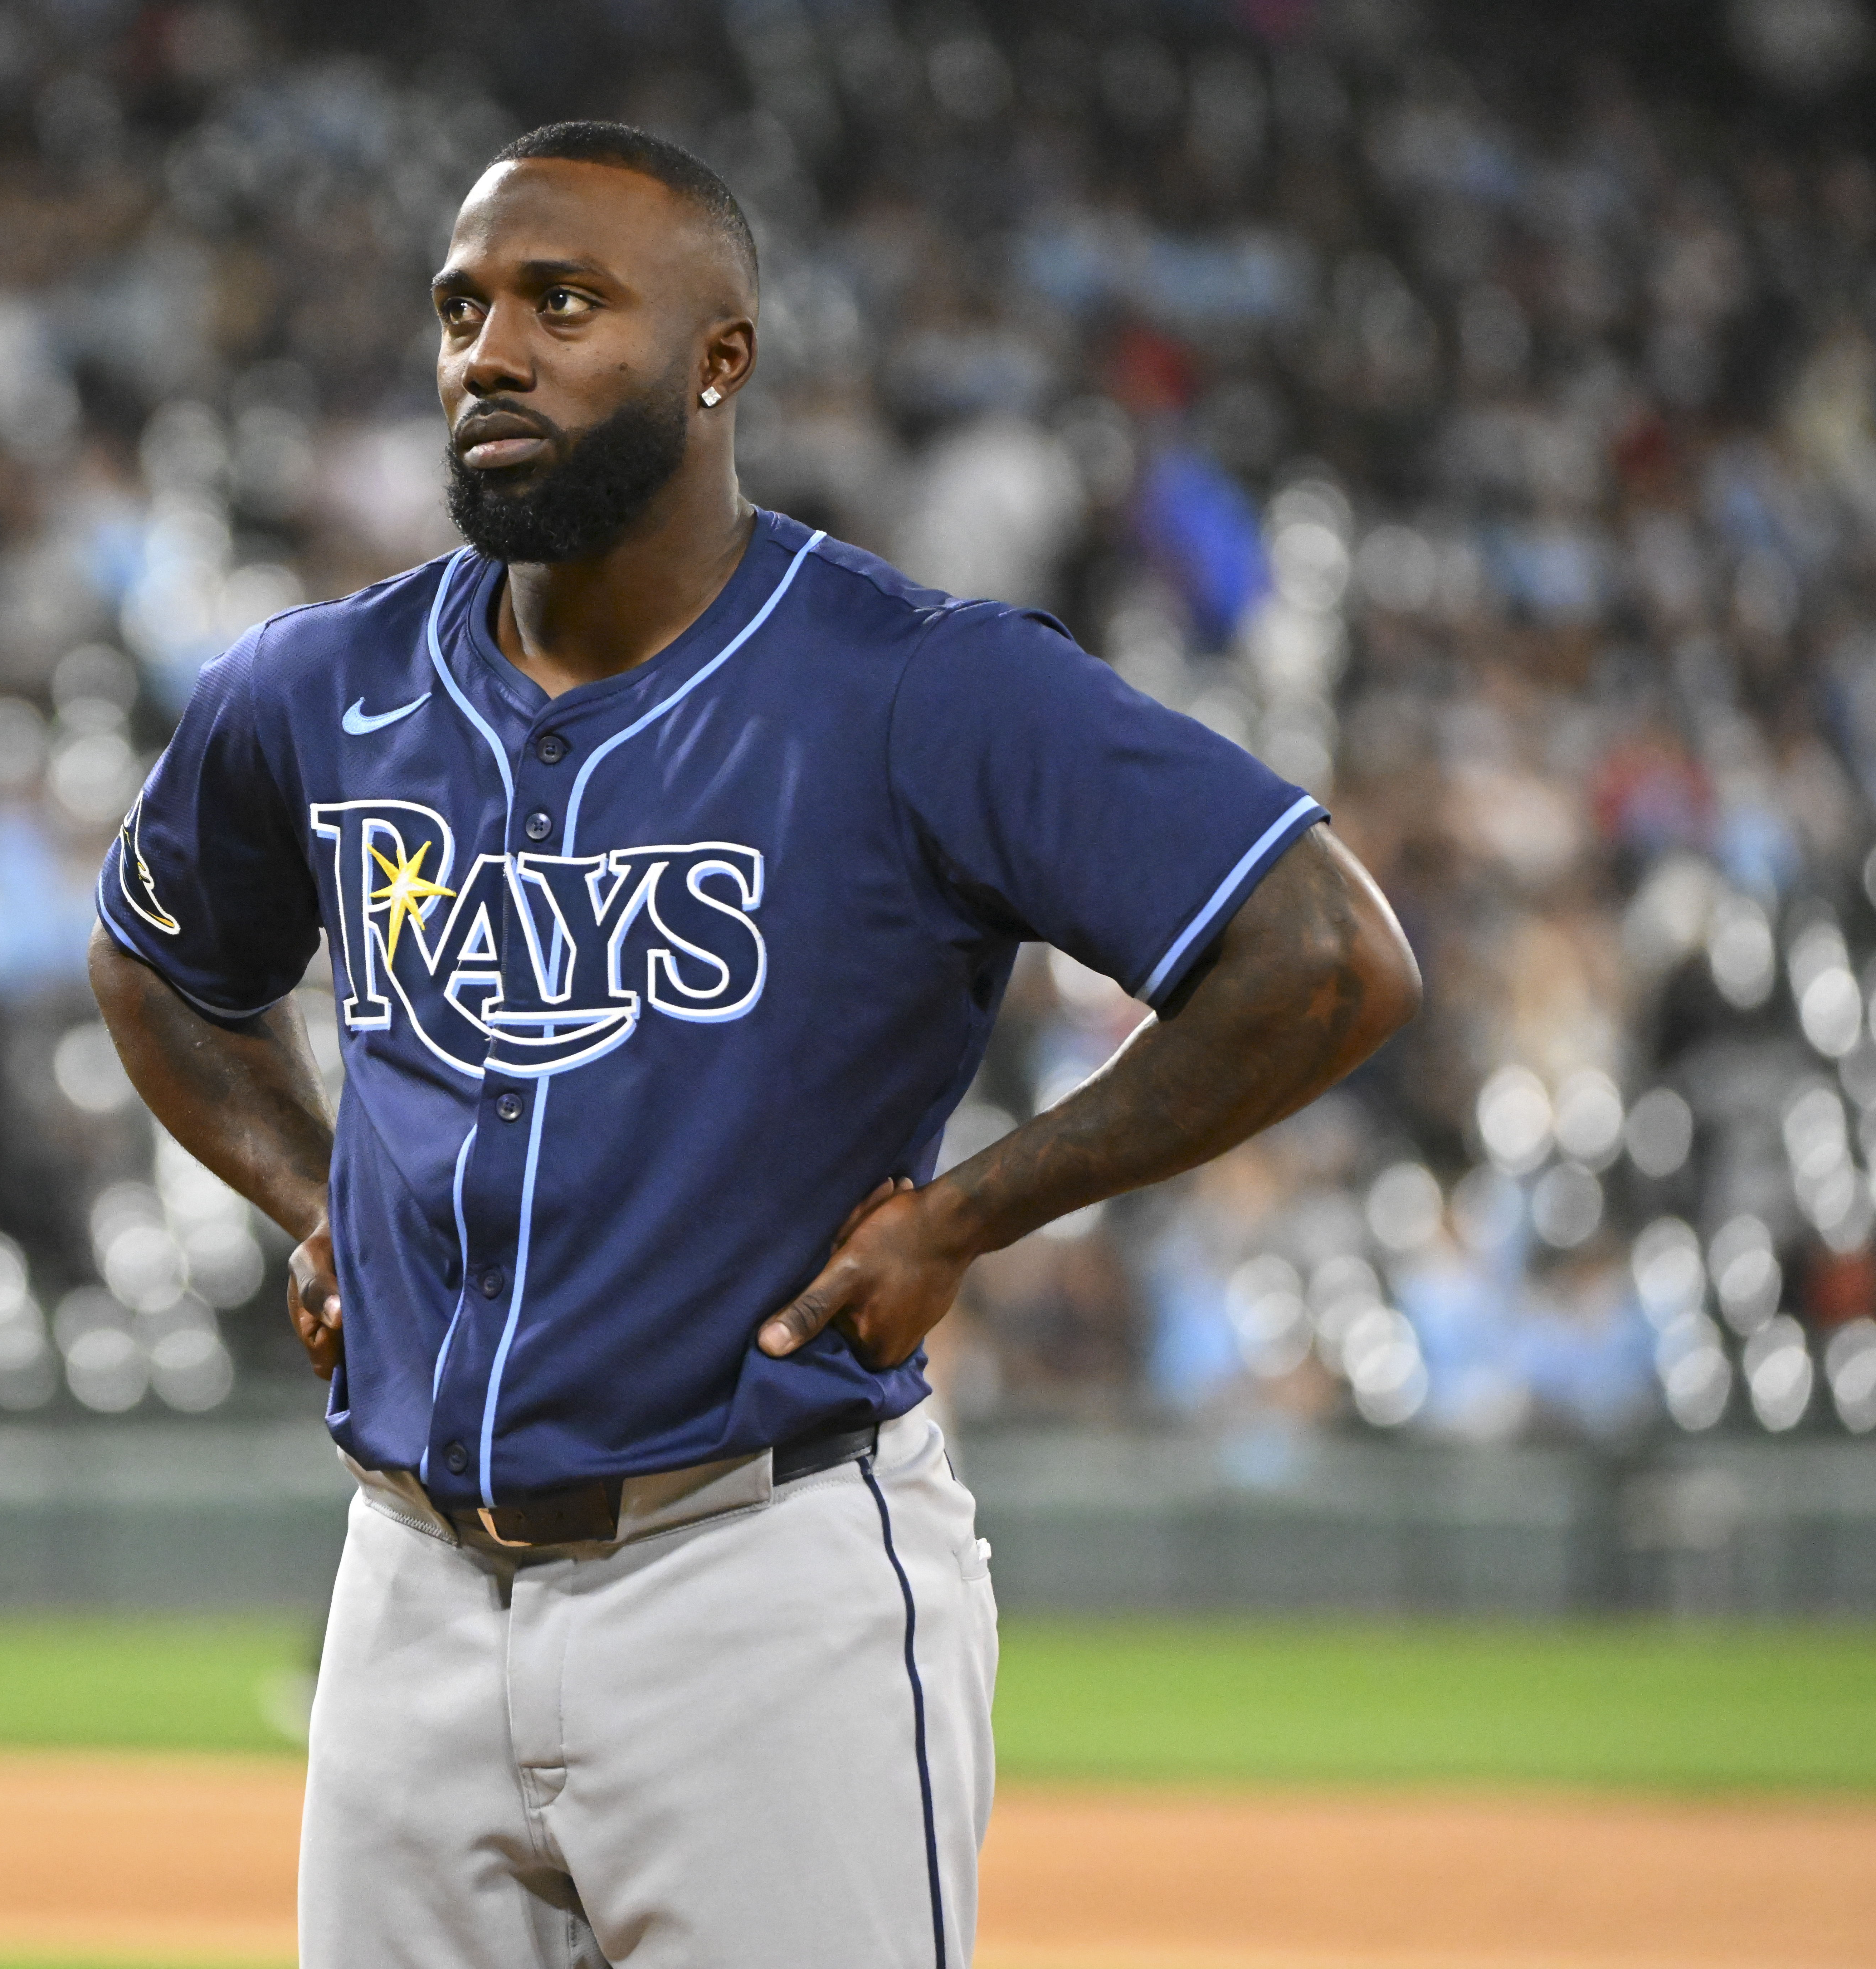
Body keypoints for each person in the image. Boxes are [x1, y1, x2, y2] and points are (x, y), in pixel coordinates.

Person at [89, 121, 1419, 1969]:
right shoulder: (320, 689)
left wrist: (973, 1215)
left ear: (722, 359)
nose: (496, 351)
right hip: (402, 1584)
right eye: (464, 307)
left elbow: (1330, 956)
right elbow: (154, 961)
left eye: (567, 303)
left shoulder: (912, 687)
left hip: (758, 1583)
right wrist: (317, 1200)